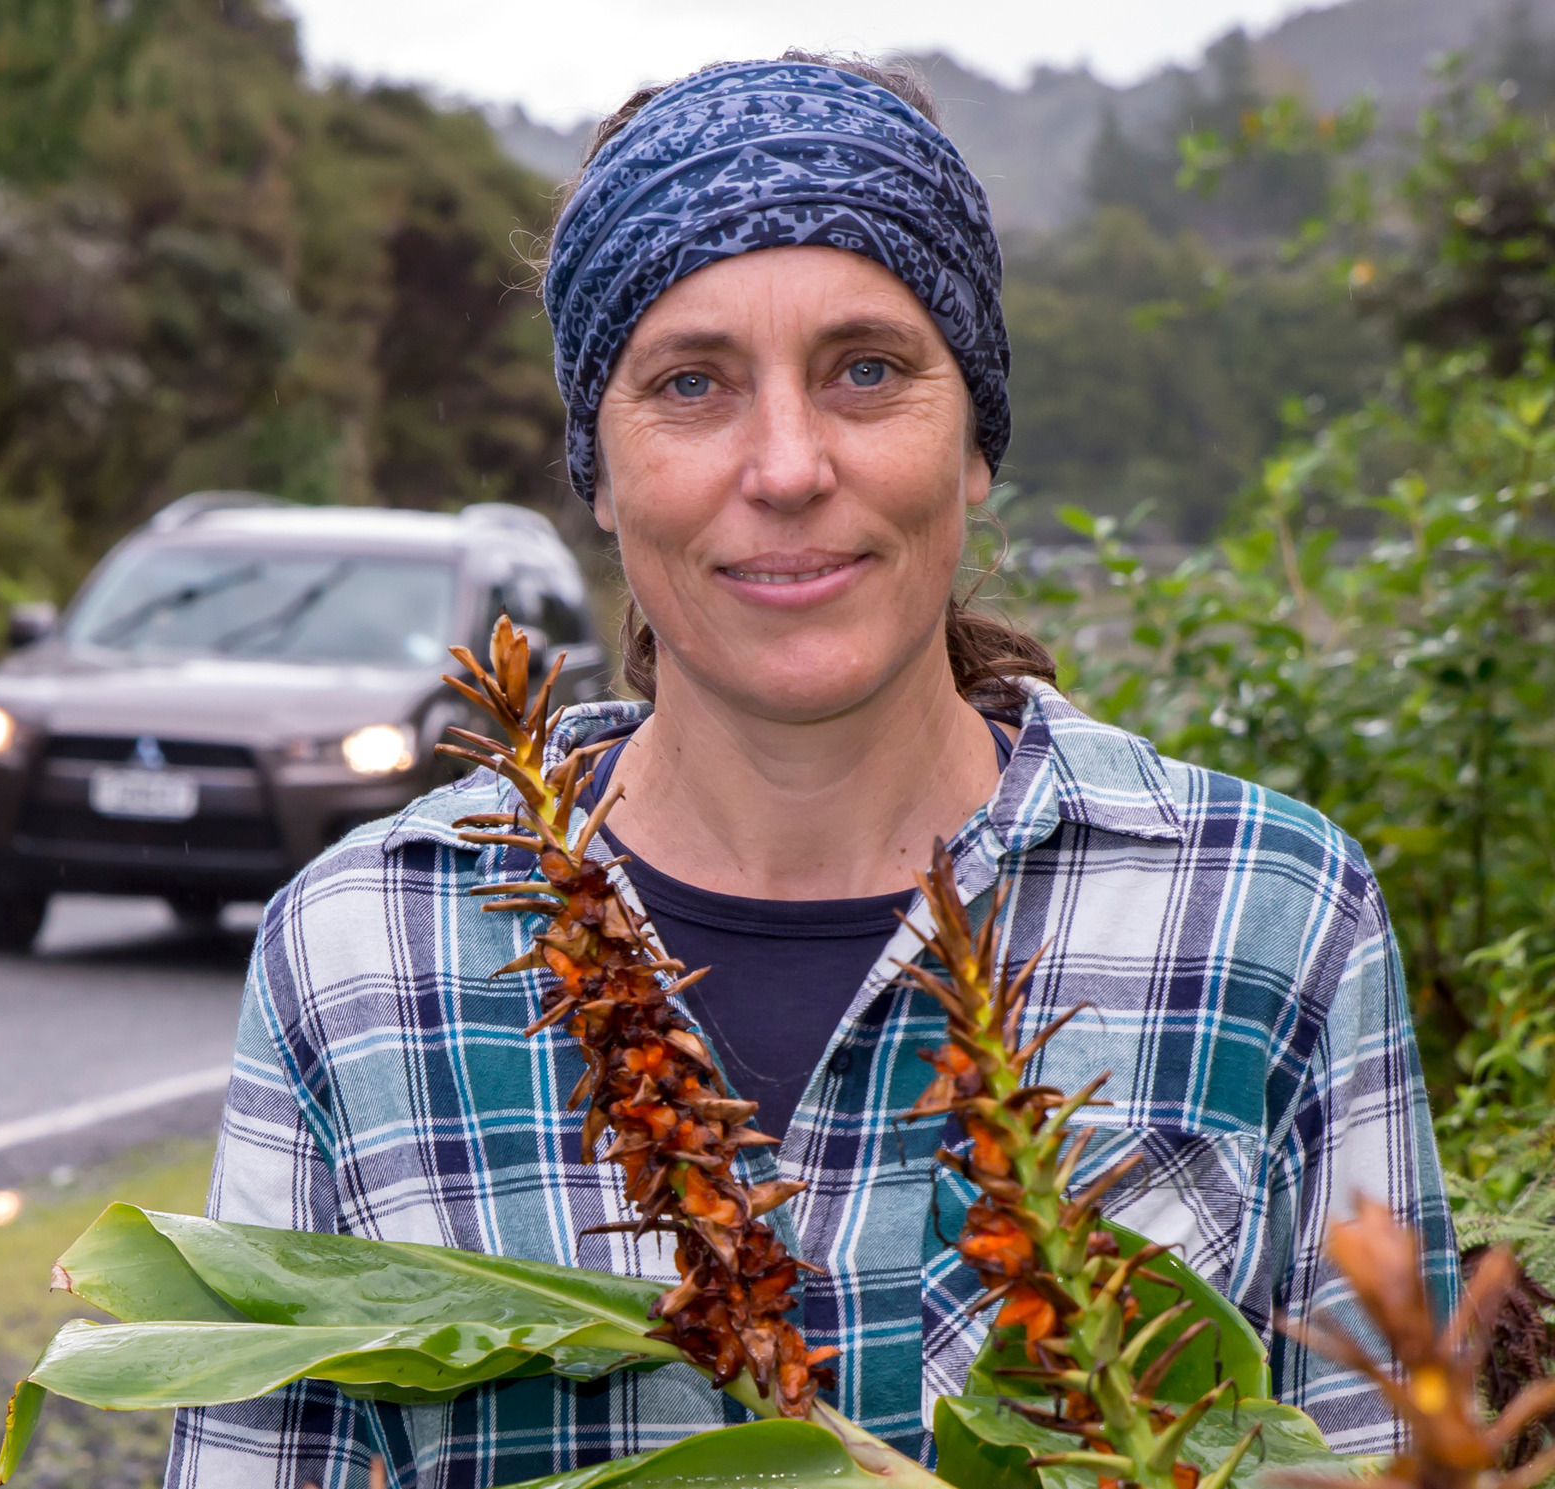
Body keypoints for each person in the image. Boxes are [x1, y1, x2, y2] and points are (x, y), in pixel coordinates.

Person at [165, 54, 1454, 1489]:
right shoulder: (360, 951)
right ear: (598, 468)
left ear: (973, 439)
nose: (786, 464)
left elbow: (1385, 1452)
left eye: (866, 371)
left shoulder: (1268, 914)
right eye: (692, 382)